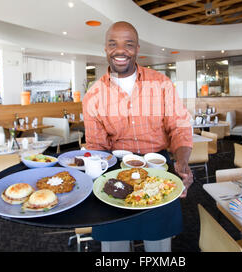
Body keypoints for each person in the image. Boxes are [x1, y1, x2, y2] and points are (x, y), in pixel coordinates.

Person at [82, 21, 193, 252]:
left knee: (159, 248)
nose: (120, 50)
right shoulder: (93, 96)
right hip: (114, 171)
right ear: (105, 48)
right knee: (114, 248)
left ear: (137, 49)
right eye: (113, 44)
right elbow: (97, 146)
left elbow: (180, 128)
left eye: (128, 44)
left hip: (159, 168)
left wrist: (182, 161)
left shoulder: (161, 84)